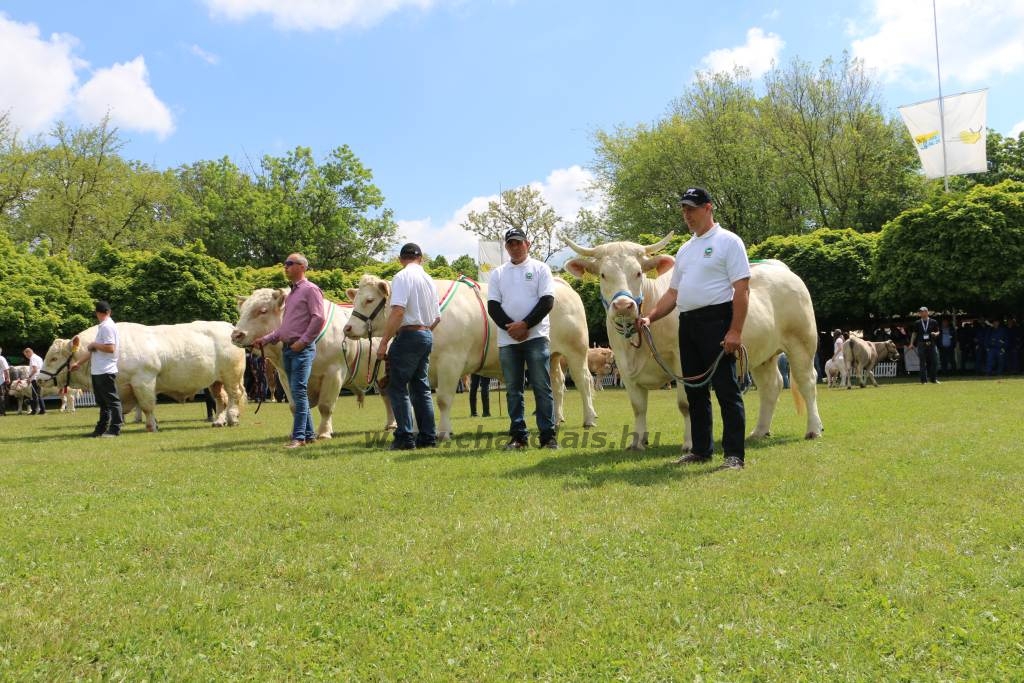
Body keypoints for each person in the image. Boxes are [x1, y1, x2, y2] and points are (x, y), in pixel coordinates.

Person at [637, 186, 751, 470]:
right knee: (694, 391)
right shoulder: (685, 250)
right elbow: (673, 294)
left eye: (692, 208)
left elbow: (742, 289)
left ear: (709, 208)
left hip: (718, 321)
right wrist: (650, 317)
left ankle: (734, 455)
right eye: (684, 209)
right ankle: (701, 449)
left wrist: (735, 331)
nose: (687, 214)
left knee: (726, 390)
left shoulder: (729, 241)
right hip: (687, 324)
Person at [487, 228, 558, 450]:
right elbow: (492, 306)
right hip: (508, 340)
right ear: (506, 247)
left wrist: (525, 325)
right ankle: (518, 437)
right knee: (513, 389)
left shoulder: (540, 268)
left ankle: (548, 437)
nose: (515, 247)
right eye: (511, 244)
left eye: (519, 243)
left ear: (527, 244)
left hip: (536, 336)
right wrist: (512, 329)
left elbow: (547, 301)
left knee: (541, 386)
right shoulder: (498, 273)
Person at [252, 253, 325, 449]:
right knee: (297, 393)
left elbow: (318, 318)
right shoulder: (292, 294)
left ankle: (298, 437)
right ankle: (309, 435)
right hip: (289, 349)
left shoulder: (311, 290)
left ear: (302, 267)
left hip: (301, 350)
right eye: (285, 264)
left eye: (289, 264)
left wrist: (303, 342)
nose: (285, 267)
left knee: (299, 393)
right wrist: (265, 339)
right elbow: (285, 329)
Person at [376, 242, 441, 450]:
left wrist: (384, 341)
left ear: (400, 259)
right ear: (421, 258)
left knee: (396, 386)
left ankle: (404, 436)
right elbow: (437, 317)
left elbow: (398, 311)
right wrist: (424, 331)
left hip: (408, 334)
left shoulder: (401, 277)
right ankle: (428, 437)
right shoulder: (429, 280)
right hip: (426, 333)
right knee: (421, 388)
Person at [71, 301, 123, 436]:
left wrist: (94, 344)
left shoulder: (107, 327)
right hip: (99, 370)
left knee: (112, 401)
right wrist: (79, 363)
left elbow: (111, 348)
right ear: (109, 311)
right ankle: (100, 429)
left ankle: (115, 429)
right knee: (103, 403)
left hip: (105, 370)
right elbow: (93, 351)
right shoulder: (104, 327)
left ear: (97, 313)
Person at [911, 306, 940, 384]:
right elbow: (914, 333)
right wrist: (911, 343)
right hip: (921, 344)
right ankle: (923, 380)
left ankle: (933, 379)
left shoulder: (934, 321)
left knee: (934, 361)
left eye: (923, 311)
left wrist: (935, 334)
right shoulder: (917, 323)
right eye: (920, 312)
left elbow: (938, 332)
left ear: (927, 312)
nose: (921, 313)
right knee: (922, 362)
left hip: (932, 344)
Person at [22, 347, 47, 415]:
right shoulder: (38, 357)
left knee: (35, 395)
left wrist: (29, 377)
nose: (26, 357)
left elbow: (35, 369)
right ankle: (42, 410)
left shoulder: (33, 358)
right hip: (39, 378)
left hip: (35, 378)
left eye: (26, 355)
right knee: (37, 395)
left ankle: (35, 411)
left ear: (29, 352)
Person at [0, 346, 9, 416]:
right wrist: (8, 378)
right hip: (1, 380)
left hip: (1, 380)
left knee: (1, 396)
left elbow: (6, 370)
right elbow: (6, 369)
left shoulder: (1, 358)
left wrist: (7, 378)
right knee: (1, 396)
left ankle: (2, 412)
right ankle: (2, 412)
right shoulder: (1, 358)